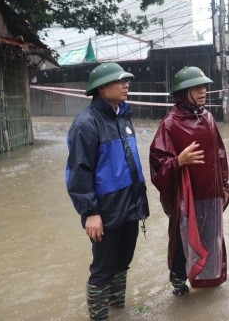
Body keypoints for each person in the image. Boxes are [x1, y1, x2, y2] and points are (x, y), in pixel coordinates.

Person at [66, 62, 149, 321]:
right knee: (102, 269)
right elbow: (79, 172)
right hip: (105, 209)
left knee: (123, 262)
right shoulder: (86, 124)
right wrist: (90, 212)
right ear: (102, 88)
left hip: (131, 204)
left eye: (127, 80)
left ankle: (118, 309)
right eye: (120, 81)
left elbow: (129, 165)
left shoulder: (123, 116)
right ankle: (99, 317)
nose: (127, 85)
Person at [149, 66, 229, 296]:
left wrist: (224, 185)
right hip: (187, 198)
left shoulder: (208, 117)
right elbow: (157, 163)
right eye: (196, 88)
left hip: (211, 193)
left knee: (212, 239)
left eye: (203, 87)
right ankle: (178, 284)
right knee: (183, 239)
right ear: (183, 92)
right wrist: (178, 161)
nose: (203, 91)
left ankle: (208, 284)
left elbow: (220, 154)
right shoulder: (170, 123)